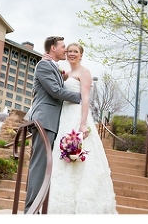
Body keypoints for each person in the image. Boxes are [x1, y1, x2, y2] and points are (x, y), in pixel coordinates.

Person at [47, 43, 118, 214]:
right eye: (69, 51)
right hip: (64, 117)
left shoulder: (84, 72)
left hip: (77, 116)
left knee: (79, 156)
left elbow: (86, 99)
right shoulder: (65, 74)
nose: (72, 54)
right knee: (61, 157)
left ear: (81, 55)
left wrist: (83, 123)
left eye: (75, 51)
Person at [23, 36, 82, 213]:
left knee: (46, 165)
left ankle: (37, 208)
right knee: (40, 165)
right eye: (63, 47)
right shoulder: (44, 65)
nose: (66, 50)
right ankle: (31, 210)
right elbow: (55, 91)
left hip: (53, 121)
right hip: (45, 121)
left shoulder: (53, 66)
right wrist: (81, 97)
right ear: (53, 48)